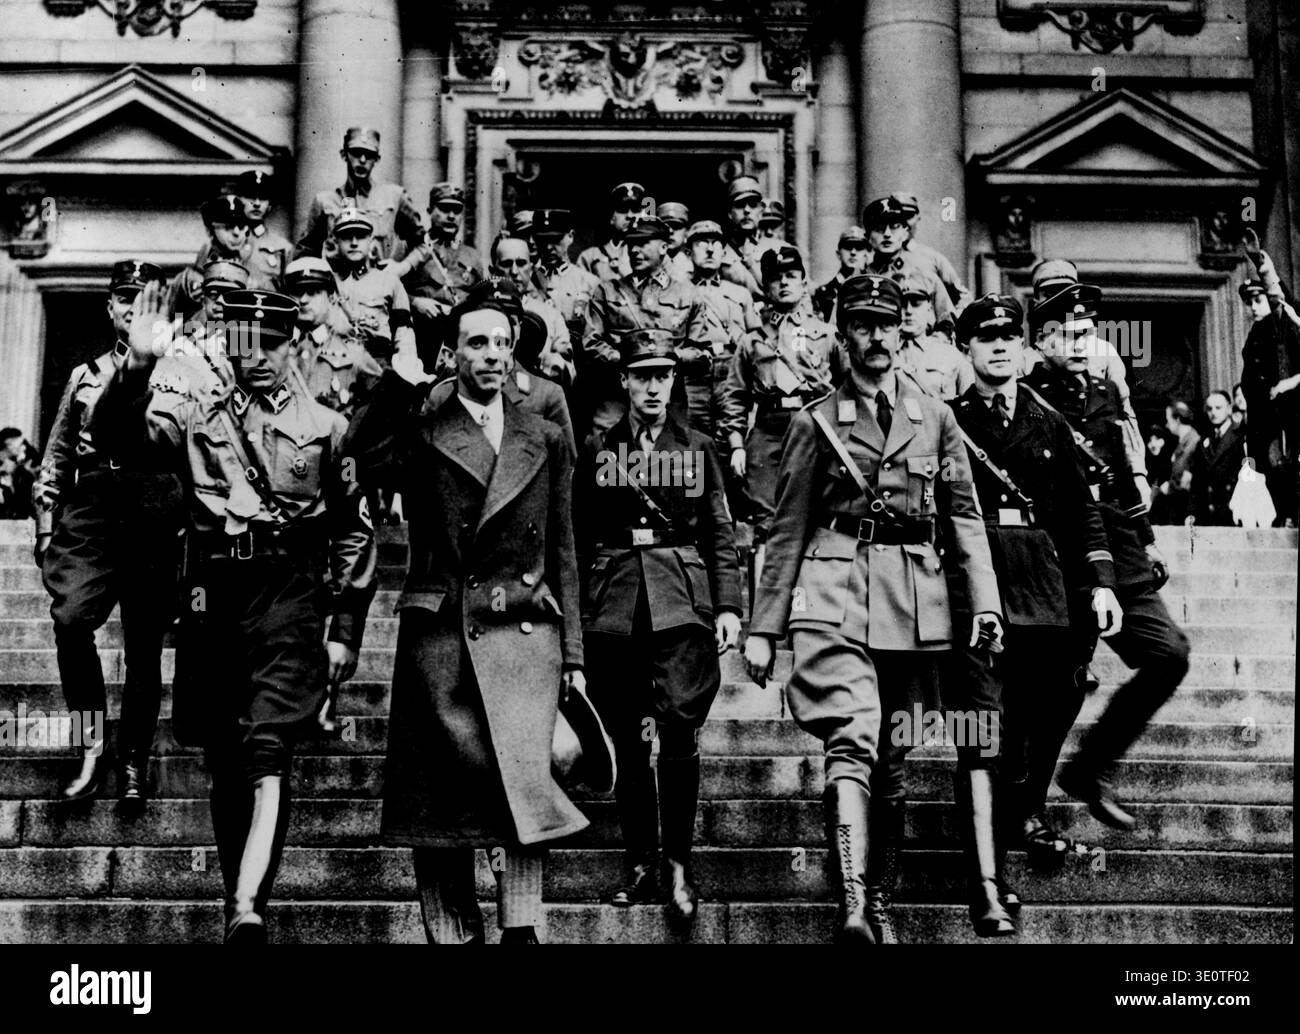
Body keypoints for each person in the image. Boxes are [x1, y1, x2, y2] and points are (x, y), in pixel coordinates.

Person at [91, 284, 377, 944]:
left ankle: (250, 904)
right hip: (212, 593)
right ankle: (235, 899)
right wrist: (136, 368)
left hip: (289, 593)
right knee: (224, 756)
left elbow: (353, 528)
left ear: (294, 345)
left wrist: (346, 626)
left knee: (267, 744)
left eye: (271, 345)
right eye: (244, 345)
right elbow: (116, 439)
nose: (257, 359)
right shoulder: (195, 416)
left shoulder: (328, 429)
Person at [743, 274, 1002, 945]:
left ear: (904, 330)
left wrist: (987, 603)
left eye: (887, 324)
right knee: (853, 737)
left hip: (915, 598)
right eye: (862, 324)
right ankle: (853, 904)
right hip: (834, 590)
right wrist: (764, 629)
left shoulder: (935, 416)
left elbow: (965, 516)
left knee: (894, 755)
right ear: (844, 333)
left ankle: (878, 898)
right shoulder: (816, 420)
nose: (877, 336)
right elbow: (787, 527)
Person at [346, 293, 591, 945]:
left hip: (522, 631)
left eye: (499, 343)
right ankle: (451, 932)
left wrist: (573, 658)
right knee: (441, 803)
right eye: (474, 344)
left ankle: (522, 931)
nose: (488, 355)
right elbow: (360, 461)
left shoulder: (541, 431)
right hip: (444, 631)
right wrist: (399, 380)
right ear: (453, 354)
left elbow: (562, 543)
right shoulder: (426, 428)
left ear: (514, 351)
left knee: (523, 785)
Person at [948, 294, 1122, 936]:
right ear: (967, 349)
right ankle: (986, 885)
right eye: (984, 339)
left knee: (1057, 697)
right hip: (978, 585)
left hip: (1044, 584)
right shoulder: (949, 421)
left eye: (1007, 339)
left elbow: (1081, 511)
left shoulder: (1048, 422)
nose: (998, 348)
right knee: (980, 730)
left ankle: (1022, 806)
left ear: (1022, 348)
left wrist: (1101, 583)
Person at [574, 328, 742, 929]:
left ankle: (678, 863)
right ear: (624, 381)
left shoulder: (696, 447)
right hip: (615, 601)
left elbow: (720, 533)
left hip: (679, 598)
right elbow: (578, 534)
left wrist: (728, 607)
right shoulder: (597, 447)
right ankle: (641, 860)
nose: (652, 386)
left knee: (677, 724)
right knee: (625, 732)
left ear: (674, 381)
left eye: (662, 375)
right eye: (641, 375)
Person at [1023, 283, 1190, 841]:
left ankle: (1090, 767)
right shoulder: (1025, 398)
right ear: (1041, 339)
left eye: (1086, 332)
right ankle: (1026, 809)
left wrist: (1146, 539)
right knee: (1060, 688)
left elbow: (1118, 474)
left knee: (1170, 653)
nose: (1079, 341)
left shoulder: (1104, 390)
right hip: (1061, 558)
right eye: (1066, 333)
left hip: (1119, 548)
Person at [33, 260, 189, 807]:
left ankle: (134, 763)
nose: (132, 306)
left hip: (152, 512)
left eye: (144, 298)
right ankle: (91, 746)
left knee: (144, 648)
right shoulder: (85, 375)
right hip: (93, 511)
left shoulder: (182, 372)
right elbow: (54, 457)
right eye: (125, 297)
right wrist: (44, 528)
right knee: (71, 620)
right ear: (110, 307)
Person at [718, 244, 836, 544]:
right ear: (765, 287)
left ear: (803, 282)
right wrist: (736, 446)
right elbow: (734, 395)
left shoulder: (827, 335)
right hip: (768, 431)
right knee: (767, 521)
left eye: (791, 275)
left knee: (816, 519)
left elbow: (847, 388)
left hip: (814, 429)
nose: (784, 282)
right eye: (775, 278)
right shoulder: (752, 340)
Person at [1024, 259, 1149, 503]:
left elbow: (1125, 416)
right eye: (1048, 293)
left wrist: (1137, 473)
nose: (1057, 298)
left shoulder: (1102, 351)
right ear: (1037, 300)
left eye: (1064, 291)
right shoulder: (1021, 360)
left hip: (1098, 471)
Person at [578, 214, 702, 436]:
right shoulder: (606, 291)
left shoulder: (688, 294)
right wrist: (623, 358)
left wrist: (671, 356)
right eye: (631, 244)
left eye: (642, 243)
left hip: (670, 403)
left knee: (674, 464)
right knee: (606, 457)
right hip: (617, 400)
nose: (634, 250)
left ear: (664, 247)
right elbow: (590, 343)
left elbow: (703, 352)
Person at [684, 219, 762, 447]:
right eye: (701, 243)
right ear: (689, 252)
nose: (709, 249)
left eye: (715, 243)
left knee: (732, 441)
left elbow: (755, 343)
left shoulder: (740, 293)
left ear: (723, 251)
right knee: (692, 443)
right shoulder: (678, 291)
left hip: (731, 374)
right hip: (693, 378)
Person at [295, 126, 425, 263]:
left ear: (377, 159)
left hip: (381, 280)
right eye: (356, 153)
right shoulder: (325, 201)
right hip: (338, 281)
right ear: (344, 154)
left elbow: (424, 243)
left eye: (369, 155)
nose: (362, 160)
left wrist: (402, 268)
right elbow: (305, 251)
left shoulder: (394, 197)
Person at [1237, 243, 1300, 524]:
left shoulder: (1283, 324)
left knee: (1286, 477)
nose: (1252, 307)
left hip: (1286, 419)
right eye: (1249, 302)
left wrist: (1261, 262)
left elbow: (1276, 296)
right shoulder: (1255, 335)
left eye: (1257, 300)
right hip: (1262, 423)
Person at [284, 257, 383, 421]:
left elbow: (380, 401)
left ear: (330, 298)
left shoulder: (352, 351)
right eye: (297, 292)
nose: (303, 300)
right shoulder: (274, 347)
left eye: (313, 292)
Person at [398, 183, 487, 356]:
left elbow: (482, 300)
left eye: (457, 210)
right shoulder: (409, 249)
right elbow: (386, 287)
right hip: (419, 336)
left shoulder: (472, 256)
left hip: (459, 341)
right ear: (429, 210)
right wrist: (415, 302)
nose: (452, 216)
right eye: (445, 209)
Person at [328, 206, 417, 370]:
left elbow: (404, 336)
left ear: (371, 240)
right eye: (347, 237)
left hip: (378, 365)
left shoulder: (390, 283)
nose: (354, 243)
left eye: (361, 236)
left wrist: (406, 371)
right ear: (336, 241)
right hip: (334, 362)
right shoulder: (326, 282)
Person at [861, 196, 954, 331]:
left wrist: (938, 339)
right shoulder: (859, 281)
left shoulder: (924, 277)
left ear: (905, 233)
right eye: (879, 227)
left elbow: (948, 323)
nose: (887, 234)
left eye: (894, 227)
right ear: (868, 236)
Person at [490, 236, 574, 385]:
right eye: (506, 264)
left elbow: (569, 371)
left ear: (530, 269)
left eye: (521, 263)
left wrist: (549, 363)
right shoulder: (475, 314)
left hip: (536, 399)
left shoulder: (550, 315)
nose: (515, 271)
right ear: (493, 271)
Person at [195, 170, 292, 289]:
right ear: (238, 199)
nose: (256, 204)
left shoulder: (283, 248)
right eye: (250, 196)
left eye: (262, 198)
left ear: (270, 204)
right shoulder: (215, 243)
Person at [894, 272, 974, 401]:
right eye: (902, 304)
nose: (908, 310)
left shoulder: (950, 354)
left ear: (929, 307)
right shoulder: (883, 354)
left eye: (916, 304)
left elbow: (971, 403)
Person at [532, 208, 601, 348]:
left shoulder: (589, 282)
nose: (548, 247)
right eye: (542, 240)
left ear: (570, 236)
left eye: (555, 240)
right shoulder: (528, 280)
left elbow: (595, 336)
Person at [888, 192, 970, 308]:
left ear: (918, 218)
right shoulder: (872, 257)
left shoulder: (933, 259)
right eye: (897, 218)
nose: (904, 223)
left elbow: (963, 297)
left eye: (908, 216)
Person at [1189, 390, 1247, 526]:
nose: (1213, 413)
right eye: (1209, 409)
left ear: (1229, 409)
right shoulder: (1204, 440)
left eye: (1218, 408)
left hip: (1232, 512)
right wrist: (1191, 512)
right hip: (1206, 515)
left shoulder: (1239, 437)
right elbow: (1196, 481)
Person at [719, 175, 777, 302]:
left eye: (752, 205)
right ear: (730, 213)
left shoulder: (778, 248)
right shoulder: (719, 252)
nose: (746, 210)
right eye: (739, 205)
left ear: (761, 211)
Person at [577, 182, 642, 282]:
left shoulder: (653, 253)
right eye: (623, 209)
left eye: (635, 209)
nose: (630, 215)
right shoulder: (590, 257)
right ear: (612, 217)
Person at [811, 225, 870, 325]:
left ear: (865, 254)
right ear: (838, 254)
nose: (853, 252)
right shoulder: (823, 293)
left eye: (859, 248)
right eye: (848, 247)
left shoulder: (870, 287)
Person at [1157, 400, 1199, 524]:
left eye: (1168, 420)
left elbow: (1185, 477)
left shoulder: (1193, 442)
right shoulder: (1182, 442)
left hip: (1187, 507)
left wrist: (1169, 486)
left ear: (1177, 419)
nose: (1166, 425)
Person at [658, 202, 694, 283]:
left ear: (686, 232)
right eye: (665, 226)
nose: (670, 231)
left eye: (676, 226)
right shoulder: (649, 264)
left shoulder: (694, 267)